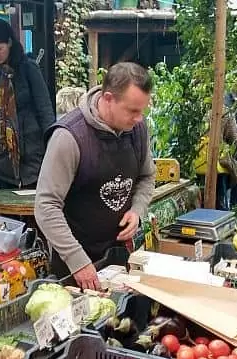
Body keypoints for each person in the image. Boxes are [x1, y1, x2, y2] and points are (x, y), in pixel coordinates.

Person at [35, 62, 156, 289]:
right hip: (73, 264)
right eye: (133, 110)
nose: (139, 119)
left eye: (142, 110)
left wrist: (137, 210)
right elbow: (46, 206)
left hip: (119, 259)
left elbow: (147, 176)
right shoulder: (68, 138)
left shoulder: (137, 131)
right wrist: (78, 261)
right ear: (108, 98)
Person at [0, 19, 55, 188]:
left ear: (9, 43)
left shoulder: (28, 67)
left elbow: (44, 109)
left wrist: (53, 143)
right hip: (2, 150)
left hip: (31, 148)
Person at [193, 111, 237, 210]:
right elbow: (236, 140)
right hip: (218, 165)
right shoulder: (225, 113)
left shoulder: (198, 111)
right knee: (220, 202)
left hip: (198, 164)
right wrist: (232, 155)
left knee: (199, 199)